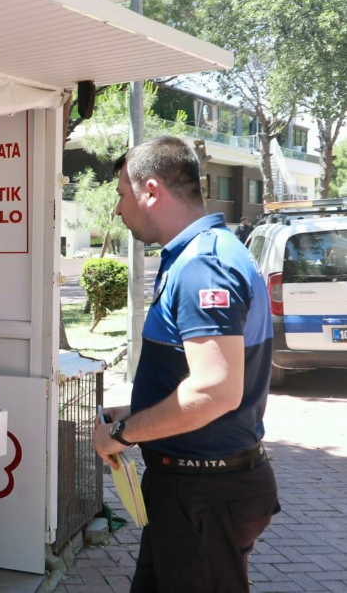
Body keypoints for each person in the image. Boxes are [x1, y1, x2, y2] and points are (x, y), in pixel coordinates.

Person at [94, 136, 280, 593]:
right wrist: (136, 411)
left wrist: (124, 433)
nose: (118, 209)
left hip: (203, 494)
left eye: (121, 193)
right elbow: (199, 378)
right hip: (195, 490)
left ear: (150, 191)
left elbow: (214, 391)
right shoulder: (203, 253)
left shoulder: (203, 265)